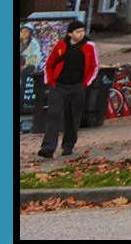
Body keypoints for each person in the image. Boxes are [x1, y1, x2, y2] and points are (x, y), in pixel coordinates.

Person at [38, 19, 97, 159]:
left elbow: (94, 66)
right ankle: (48, 147)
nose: (81, 34)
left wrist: (85, 83)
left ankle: (68, 145)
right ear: (70, 33)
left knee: (73, 117)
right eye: (78, 31)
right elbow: (49, 63)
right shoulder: (60, 45)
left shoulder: (90, 47)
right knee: (53, 115)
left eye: (83, 31)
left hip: (77, 86)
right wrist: (51, 81)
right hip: (59, 86)